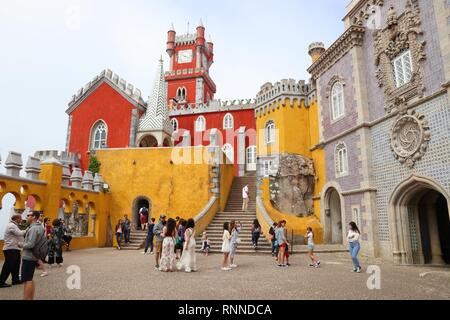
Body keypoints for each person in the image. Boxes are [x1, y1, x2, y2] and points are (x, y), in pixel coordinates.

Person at [22, 211, 46, 300]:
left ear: (34, 217)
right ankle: (30, 298)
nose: (27, 217)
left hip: (29, 256)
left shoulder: (33, 229)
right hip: (34, 256)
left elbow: (30, 244)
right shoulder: (40, 227)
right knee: (30, 278)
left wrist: (20, 244)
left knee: (27, 279)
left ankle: (27, 298)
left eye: (29, 215)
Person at [0, 214, 26, 288]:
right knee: (8, 266)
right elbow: (20, 233)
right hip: (11, 249)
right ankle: (1, 282)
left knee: (16, 265)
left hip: (15, 248)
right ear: (17, 219)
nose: (21, 220)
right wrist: (28, 229)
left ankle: (15, 280)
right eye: (20, 219)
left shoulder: (14, 225)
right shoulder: (12, 225)